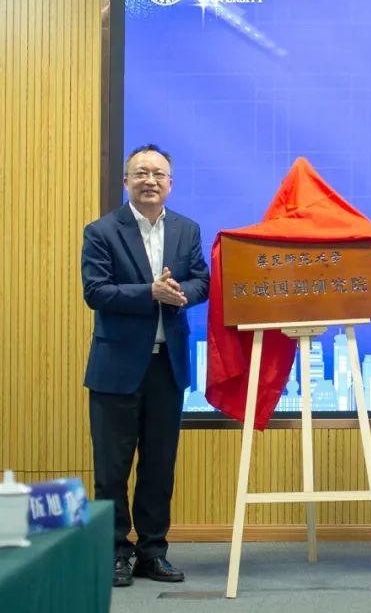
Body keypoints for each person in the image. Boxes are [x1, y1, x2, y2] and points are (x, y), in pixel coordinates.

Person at [82, 144, 209, 586]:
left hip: (166, 368)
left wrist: (181, 294)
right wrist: (149, 293)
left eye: (158, 174)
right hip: (116, 368)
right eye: (141, 173)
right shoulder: (102, 231)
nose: (149, 180)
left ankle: (153, 552)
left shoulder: (187, 230)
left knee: (158, 468)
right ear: (126, 181)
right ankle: (115, 553)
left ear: (170, 183)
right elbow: (95, 291)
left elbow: (202, 280)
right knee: (111, 470)